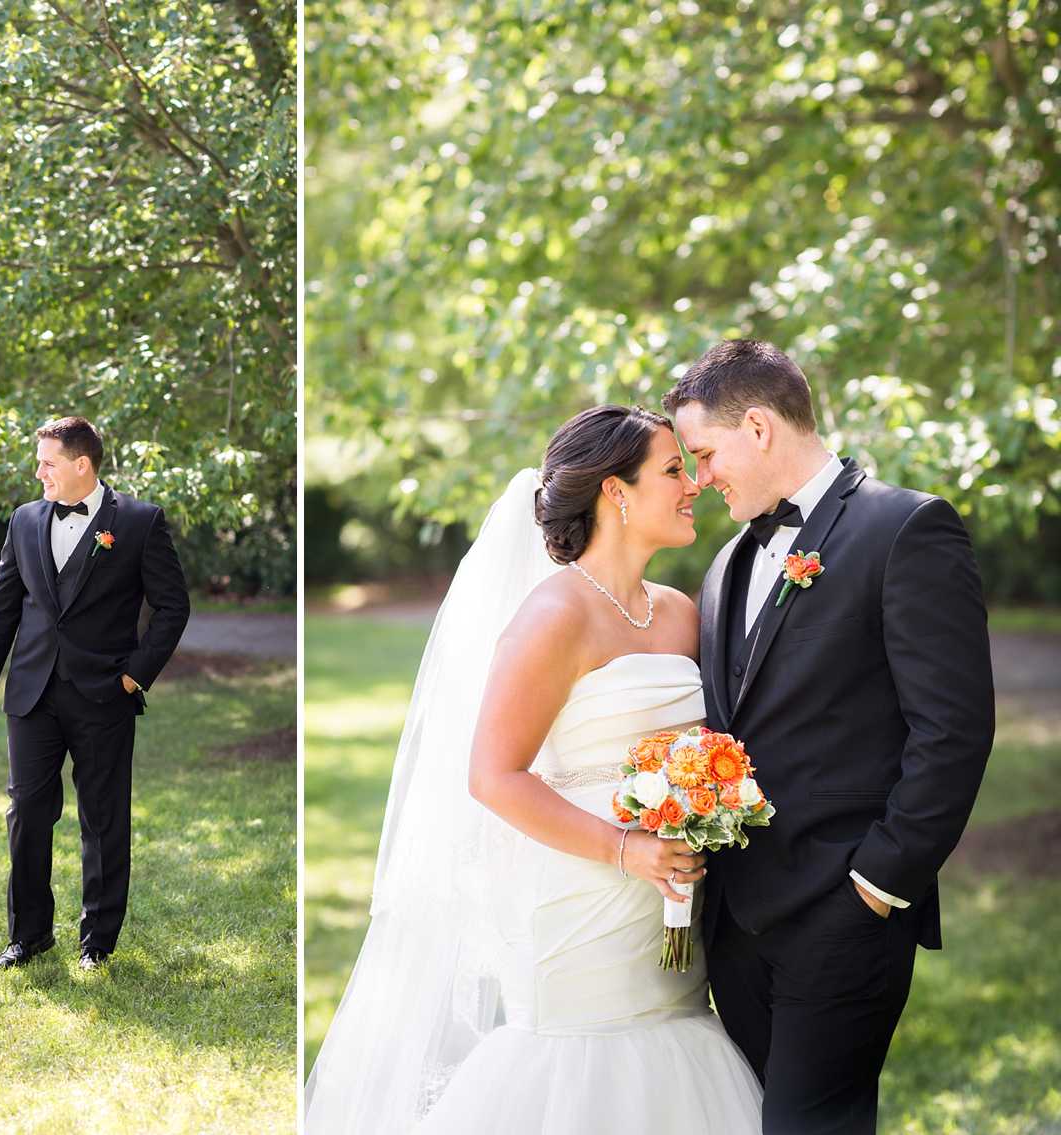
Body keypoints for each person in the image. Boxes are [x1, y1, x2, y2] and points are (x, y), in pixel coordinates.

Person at [305, 405, 763, 1132]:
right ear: (616, 491)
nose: (692, 485)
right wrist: (626, 847)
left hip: (673, 903)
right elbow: (493, 775)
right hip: (582, 904)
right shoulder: (553, 615)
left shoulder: (682, 613)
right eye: (674, 469)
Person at [665, 339, 994, 1134]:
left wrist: (876, 887)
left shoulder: (906, 527)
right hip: (735, 927)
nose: (701, 477)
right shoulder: (724, 564)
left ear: (759, 427)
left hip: (845, 915)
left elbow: (952, 731)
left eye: (704, 453)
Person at [0, 416, 190, 972]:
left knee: (103, 819)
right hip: (31, 694)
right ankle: (28, 936)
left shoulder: (138, 521)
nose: (39, 472)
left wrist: (134, 674)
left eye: (48, 462)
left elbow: (173, 607)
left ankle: (97, 942)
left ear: (82, 464)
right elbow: (2, 608)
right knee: (27, 813)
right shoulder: (25, 520)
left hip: (105, 693)